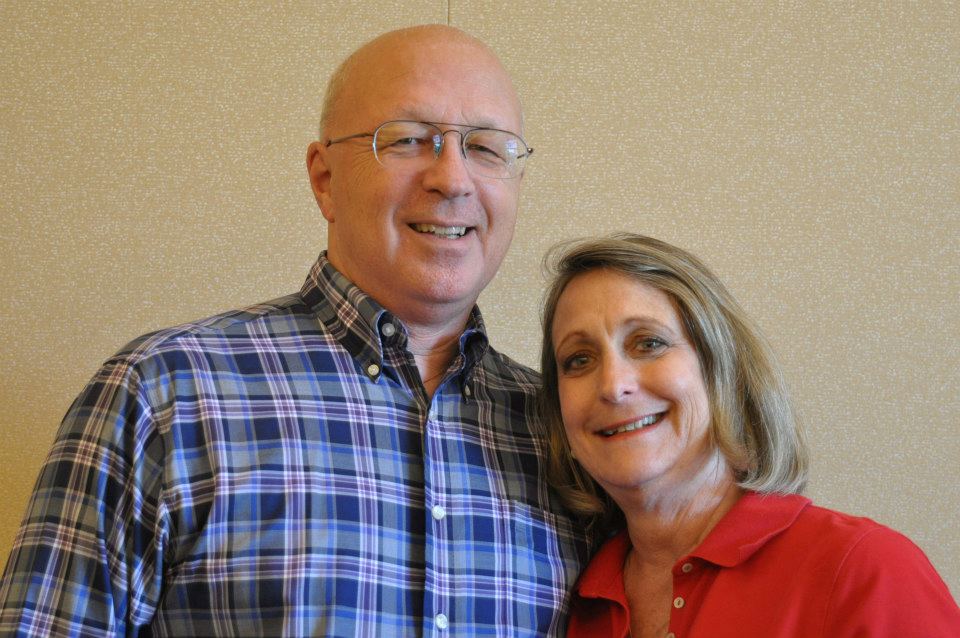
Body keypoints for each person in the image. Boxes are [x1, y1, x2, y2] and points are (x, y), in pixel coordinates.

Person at [0, 25, 587, 636]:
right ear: (325, 179)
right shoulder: (164, 395)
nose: (453, 179)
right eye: (410, 140)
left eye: (487, 149)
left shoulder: (568, 432)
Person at [538, 233, 960, 637]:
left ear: (723, 370)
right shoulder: (575, 604)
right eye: (579, 359)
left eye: (648, 343)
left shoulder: (862, 568)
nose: (613, 386)